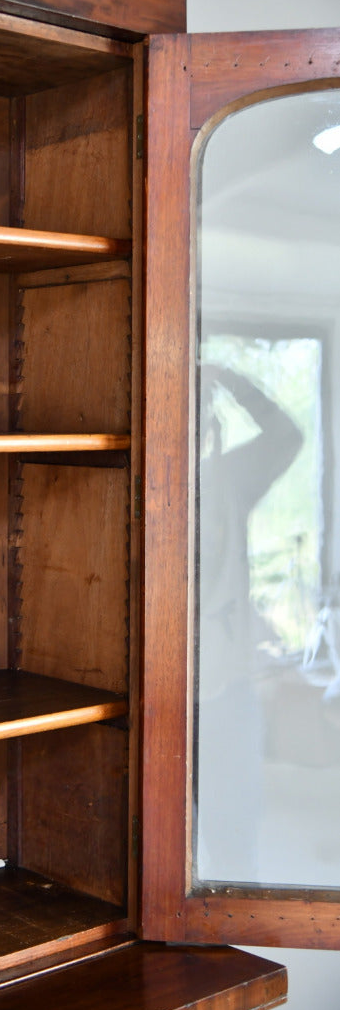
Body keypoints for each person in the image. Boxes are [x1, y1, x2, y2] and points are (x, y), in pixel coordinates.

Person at [197, 363, 303, 882]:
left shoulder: (229, 479)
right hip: (158, 700)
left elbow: (287, 435)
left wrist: (234, 381)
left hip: (226, 696)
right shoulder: (139, 482)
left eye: (201, 418)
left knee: (235, 849)